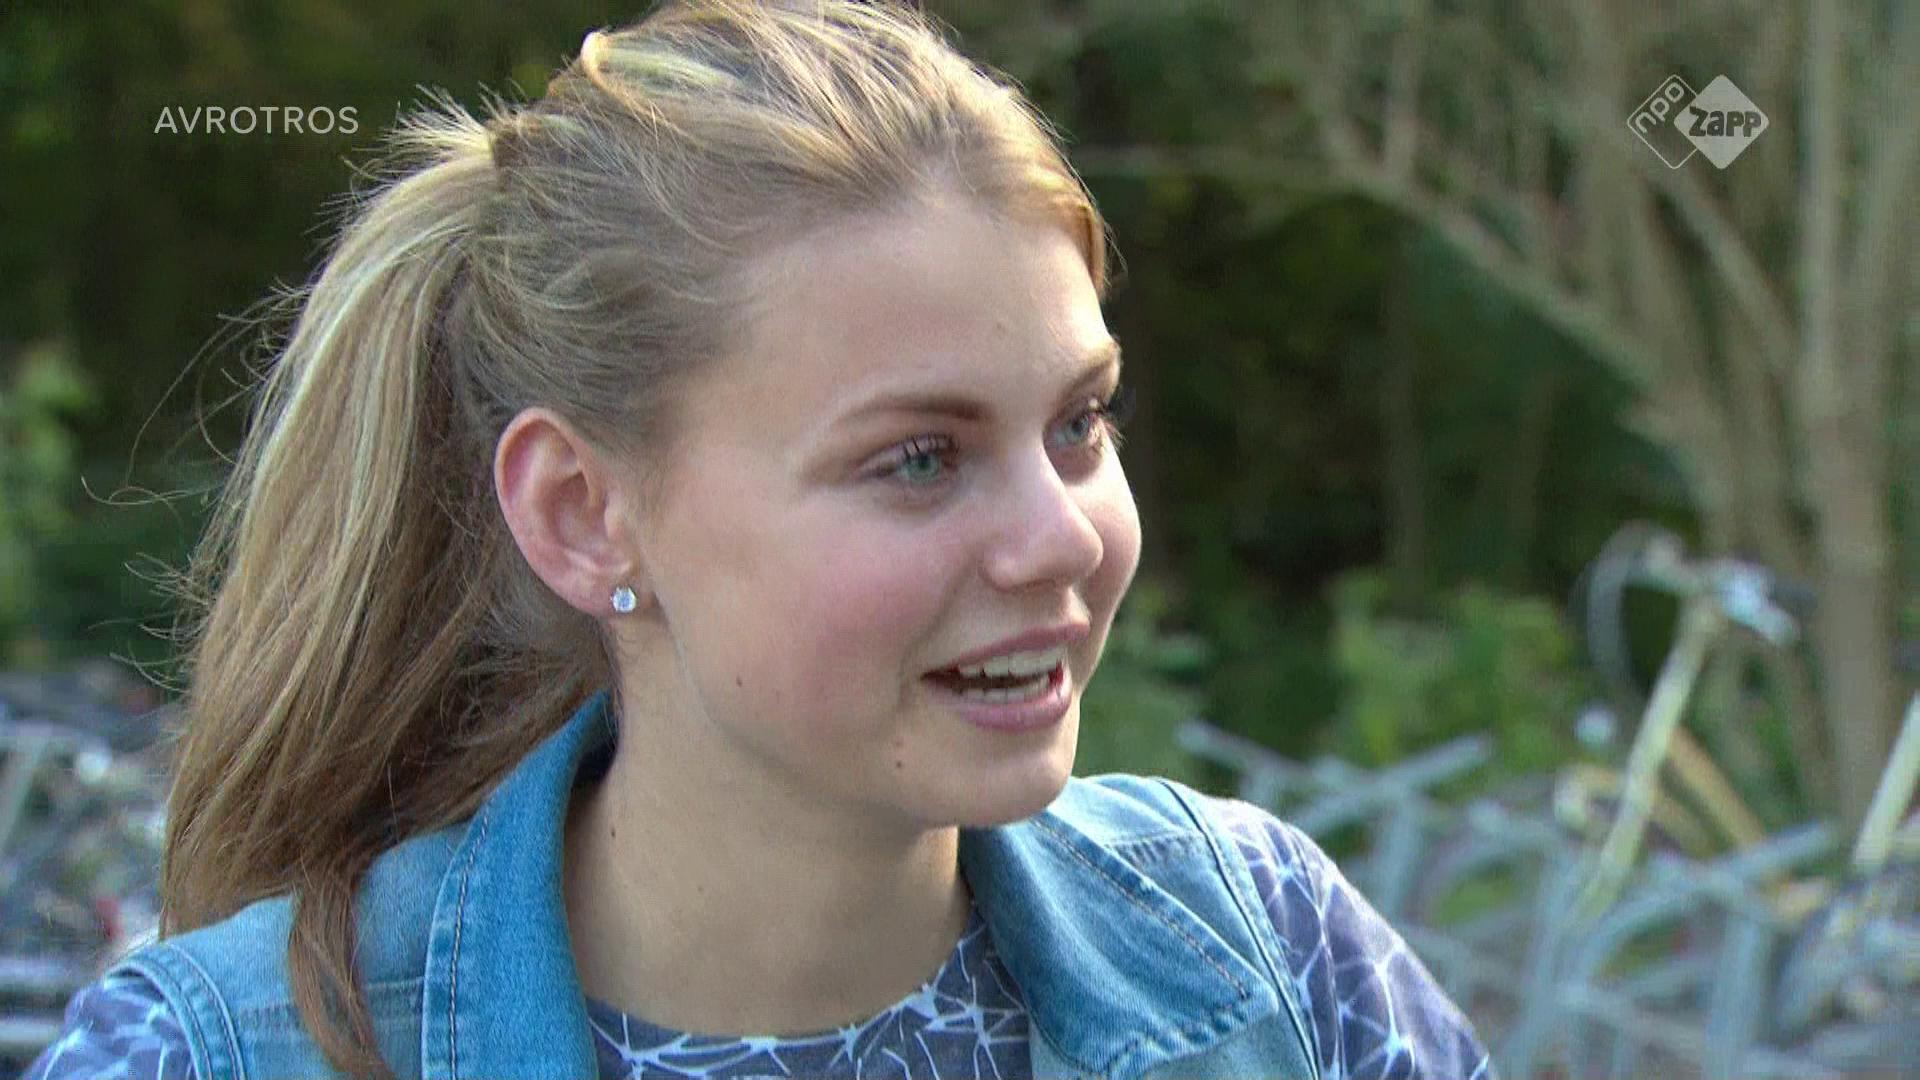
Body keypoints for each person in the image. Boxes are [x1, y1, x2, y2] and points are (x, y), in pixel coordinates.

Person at [26, 2, 1494, 1078]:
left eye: (1079, 423)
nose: (1060, 539)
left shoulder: (1265, 953)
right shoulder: (215, 1055)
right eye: (919, 459)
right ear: (583, 513)